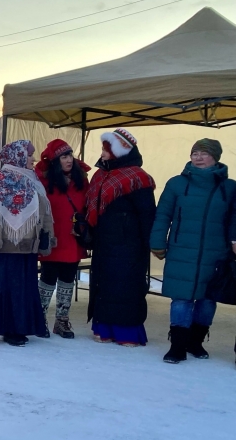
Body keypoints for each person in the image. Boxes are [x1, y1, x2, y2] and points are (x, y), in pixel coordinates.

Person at [150, 138, 236, 363]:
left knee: (208, 300)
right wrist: (158, 241)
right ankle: (177, 346)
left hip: (216, 253)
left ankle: (195, 342)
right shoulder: (176, 183)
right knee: (182, 299)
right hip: (181, 251)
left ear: (215, 157)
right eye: (194, 153)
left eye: (204, 153)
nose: (198, 157)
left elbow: (234, 218)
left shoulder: (230, 187)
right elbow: (163, 214)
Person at [0, 140, 54, 347]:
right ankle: (8, 328)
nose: (33, 159)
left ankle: (22, 326)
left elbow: (44, 211)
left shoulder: (33, 180)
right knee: (7, 288)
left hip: (29, 245)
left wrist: (46, 237)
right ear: (17, 155)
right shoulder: (0, 180)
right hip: (7, 247)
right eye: (29, 155)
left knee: (25, 288)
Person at [86, 129, 156, 346]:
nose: (103, 153)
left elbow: (147, 214)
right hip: (104, 243)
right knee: (103, 286)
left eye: (107, 149)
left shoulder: (137, 177)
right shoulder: (100, 176)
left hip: (129, 246)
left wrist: (148, 243)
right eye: (103, 149)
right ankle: (104, 328)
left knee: (126, 288)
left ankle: (127, 333)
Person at [35, 139, 91, 339]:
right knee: (48, 277)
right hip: (52, 237)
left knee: (68, 278)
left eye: (70, 155)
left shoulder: (81, 179)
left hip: (73, 237)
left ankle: (62, 320)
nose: (68, 160)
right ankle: (39, 318)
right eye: (63, 157)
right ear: (55, 161)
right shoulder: (43, 180)